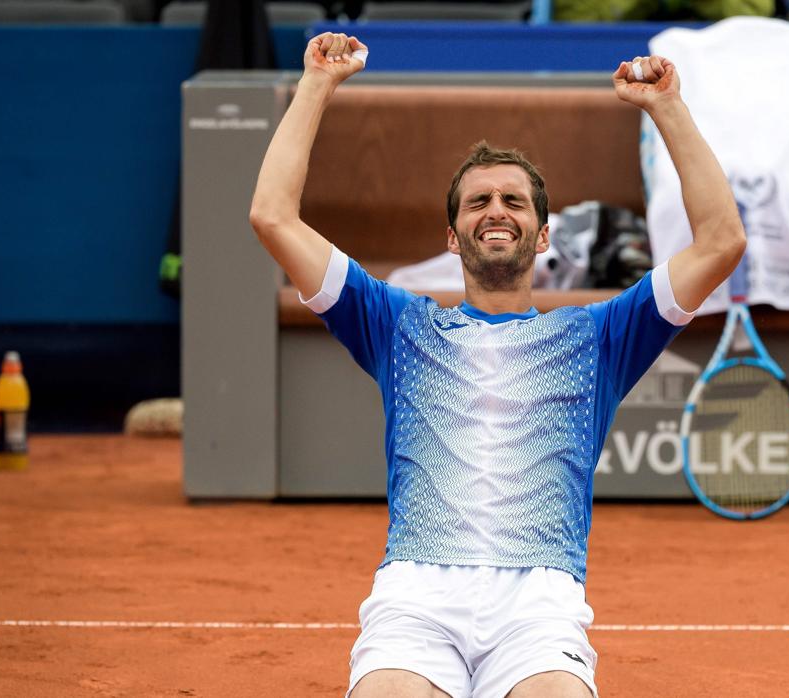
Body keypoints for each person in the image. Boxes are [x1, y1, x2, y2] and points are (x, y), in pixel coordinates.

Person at [248, 32, 745, 698]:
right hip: (417, 598)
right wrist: (315, 84)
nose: (496, 212)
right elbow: (273, 216)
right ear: (451, 238)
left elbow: (720, 240)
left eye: (514, 201)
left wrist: (668, 107)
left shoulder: (600, 338)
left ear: (544, 236)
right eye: (477, 202)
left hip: (539, 603)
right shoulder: (398, 326)